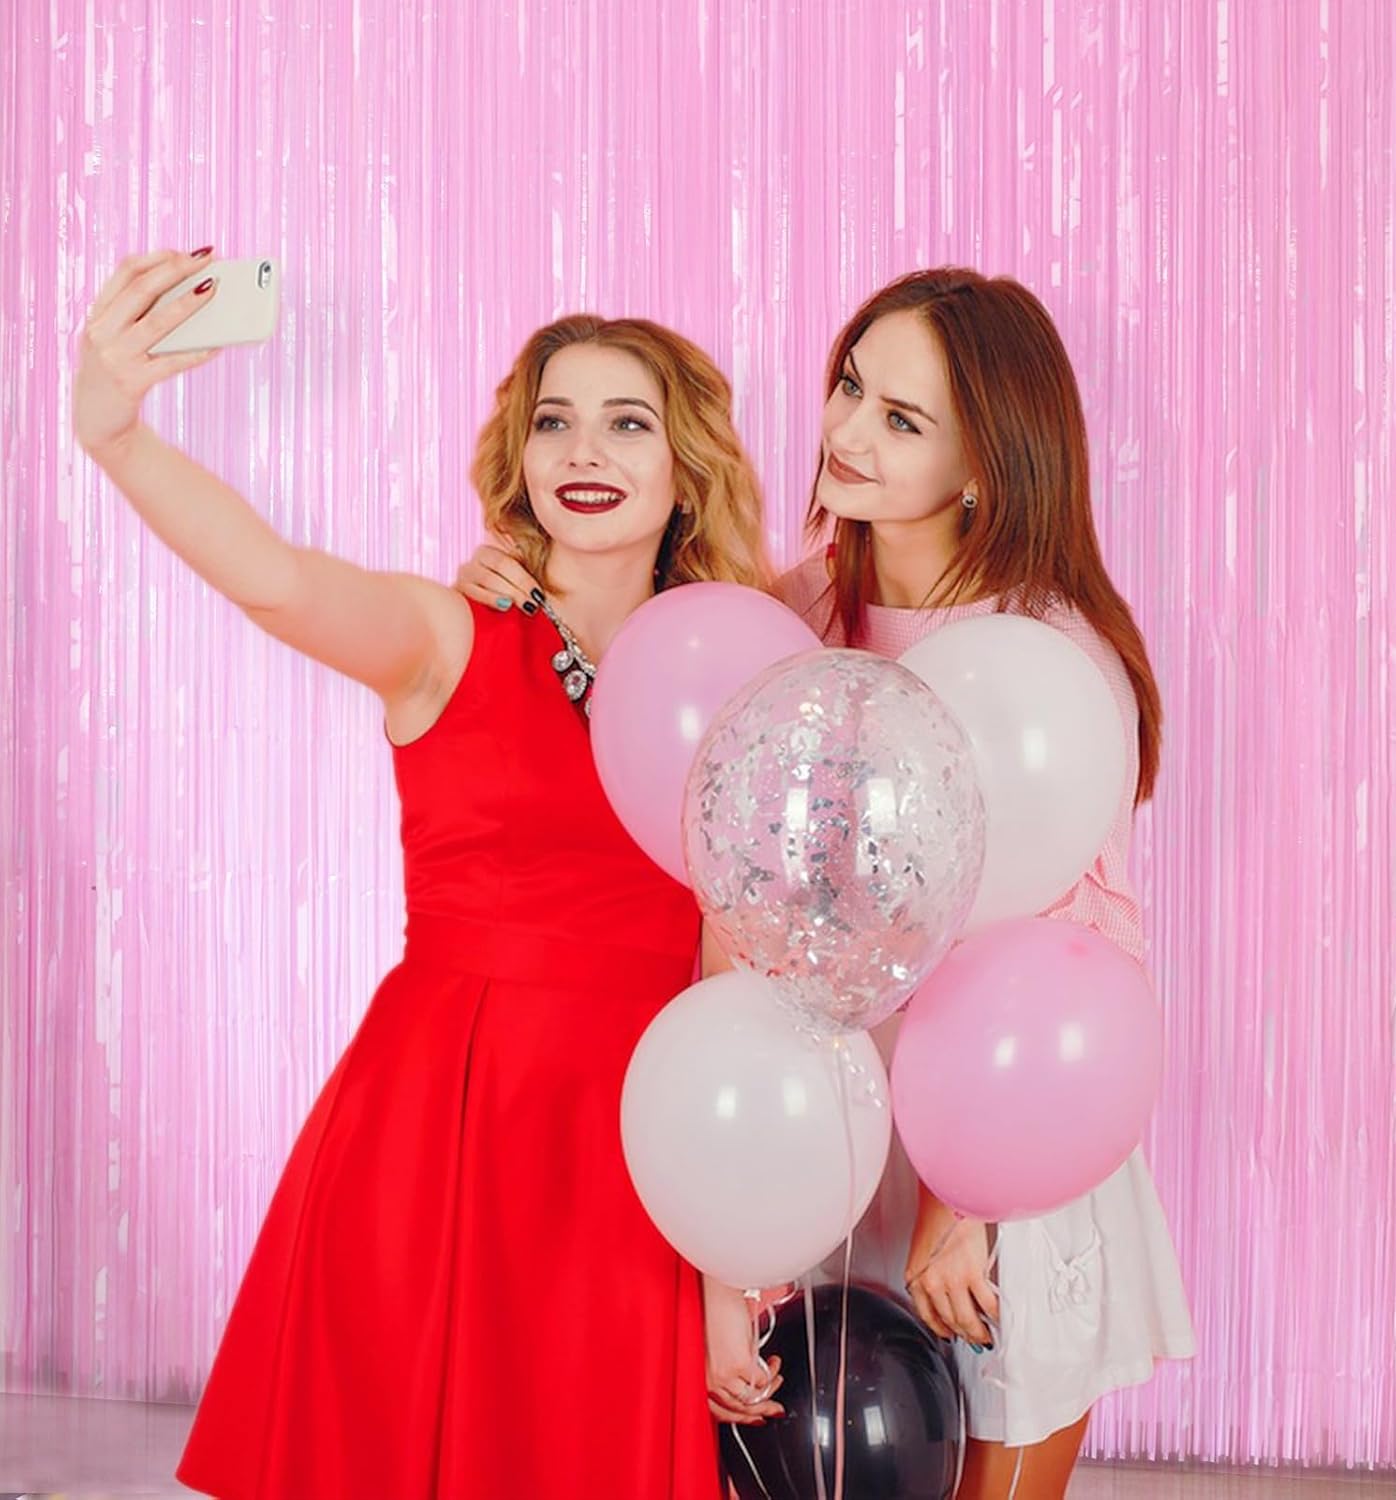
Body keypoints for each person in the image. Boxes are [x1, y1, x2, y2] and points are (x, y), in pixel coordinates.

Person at [458, 266, 1196, 1499]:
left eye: (901, 420)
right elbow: (698, 820)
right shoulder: (797, 613)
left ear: (983, 464)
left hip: (1000, 1130)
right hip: (825, 1126)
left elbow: (1063, 945)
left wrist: (967, 1198)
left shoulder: (1050, 657)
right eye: (851, 386)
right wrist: (517, 585)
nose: (847, 431)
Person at [72, 246, 778, 1499]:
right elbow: (279, 584)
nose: (584, 450)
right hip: (441, 1118)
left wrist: (728, 1280)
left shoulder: (739, 672)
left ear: (687, 467)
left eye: (628, 423)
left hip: (636, 1140)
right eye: (554, 421)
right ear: (520, 456)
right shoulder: (448, 632)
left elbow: (732, 971)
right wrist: (117, 435)